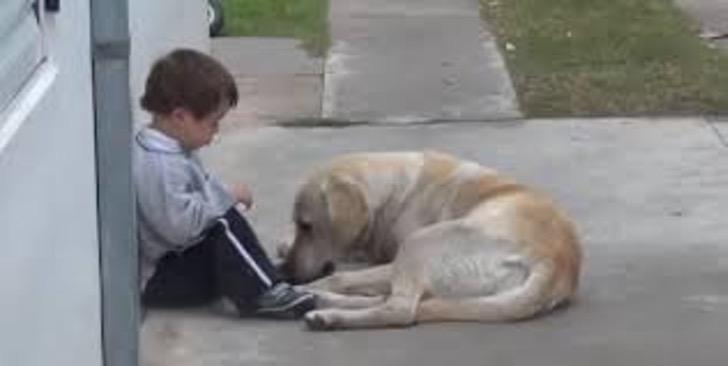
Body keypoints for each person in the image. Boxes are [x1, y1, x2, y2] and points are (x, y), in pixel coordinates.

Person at [134, 48, 315, 319]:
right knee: (221, 223)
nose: (216, 132)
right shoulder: (158, 165)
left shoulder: (175, 150)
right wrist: (225, 195)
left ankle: (267, 278)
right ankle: (262, 293)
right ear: (180, 117)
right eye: (213, 123)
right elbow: (180, 228)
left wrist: (221, 198)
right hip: (163, 281)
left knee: (223, 217)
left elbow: (199, 197)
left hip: (179, 267)